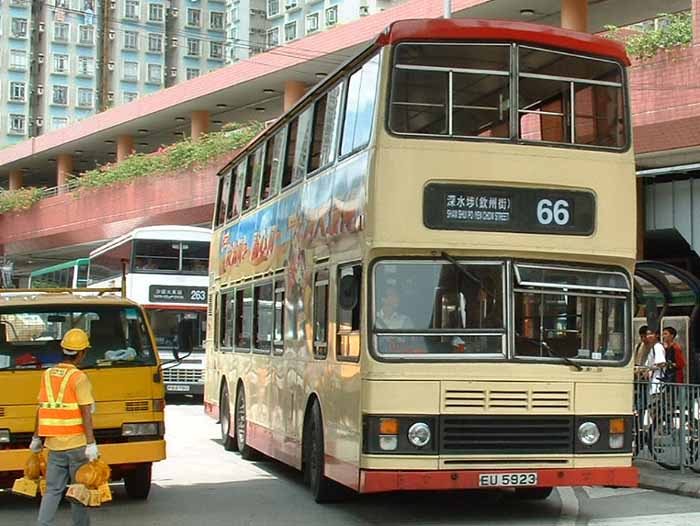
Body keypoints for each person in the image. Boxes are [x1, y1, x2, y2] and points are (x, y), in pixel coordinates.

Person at [30, 328, 99, 526]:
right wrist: (91, 443)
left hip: (53, 445)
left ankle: (43, 524)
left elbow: (41, 408)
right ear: (82, 353)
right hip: (77, 444)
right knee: (78, 490)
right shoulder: (79, 377)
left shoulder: (48, 374)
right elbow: (86, 411)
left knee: (52, 491)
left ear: (63, 350)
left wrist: (36, 438)